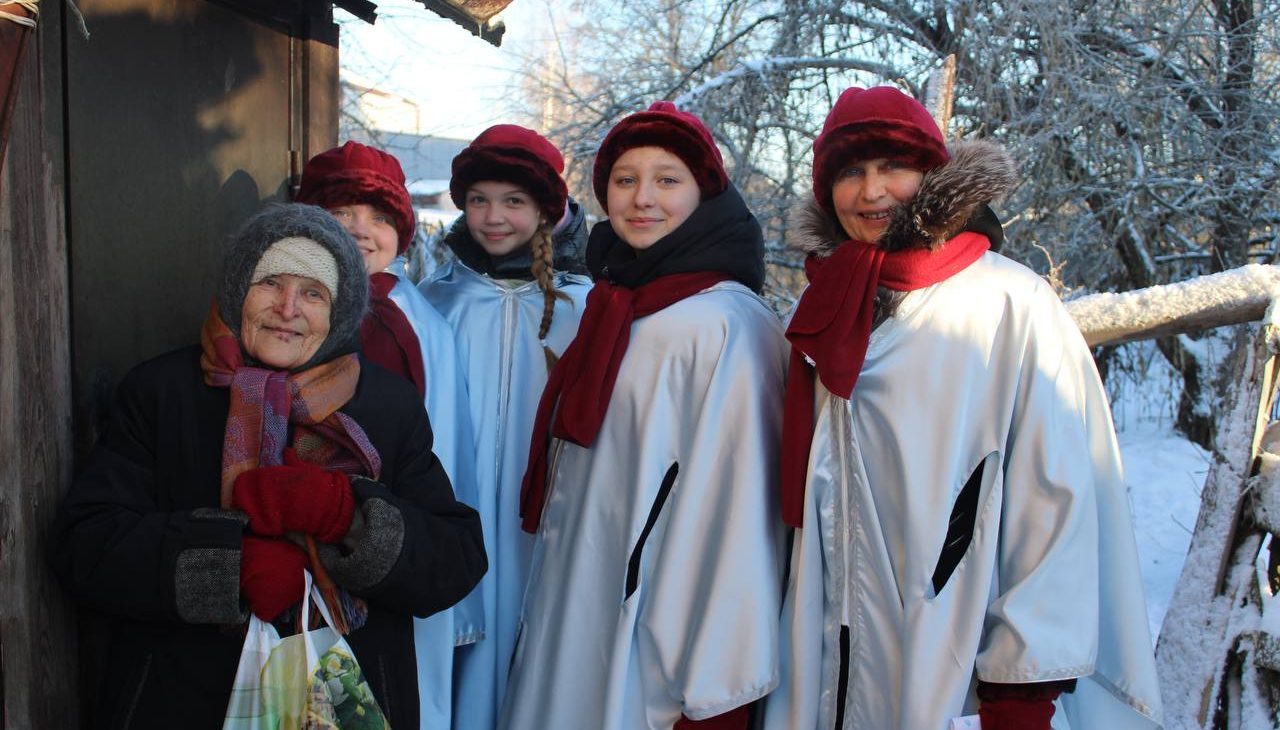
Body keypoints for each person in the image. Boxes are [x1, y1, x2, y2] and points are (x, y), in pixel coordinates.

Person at [763, 86, 1163, 730]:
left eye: (893, 167)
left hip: (958, 670)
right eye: (850, 172)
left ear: (931, 174)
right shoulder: (825, 308)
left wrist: (1021, 688)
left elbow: (1055, 497)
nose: (871, 192)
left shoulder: (1007, 304)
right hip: (827, 667)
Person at [50, 203, 487, 729]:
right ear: (238, 290)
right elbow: (86, 545)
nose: (287, 308)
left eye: (313, 293)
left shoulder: (387, 406)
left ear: (341, 309)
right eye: (270, 283)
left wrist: (346, 516)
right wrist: (228, 567)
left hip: (348, 700)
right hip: (182, 697)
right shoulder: (162, 393)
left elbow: (453, 562)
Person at [501, 102, 786, 730]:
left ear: (705, 194)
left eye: (667, 180)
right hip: (577, 610)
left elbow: (741, 521)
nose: (642, 199)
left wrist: (715, 691)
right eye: (625, 180)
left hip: (653, 648)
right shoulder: (616, 305)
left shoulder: (727, 325)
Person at [295, 140, 480, 728]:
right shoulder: (292, 306)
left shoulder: (406, 321)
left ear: (401, 233)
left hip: (375, 542)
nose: (359, 229)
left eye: (378, 217)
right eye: (341, 213)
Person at [418, 124, 592, 730]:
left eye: (513, 200)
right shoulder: (438, 299)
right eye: (478, 200)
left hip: (544, 517)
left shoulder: (583, 305)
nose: (493, 217)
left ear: (546, 208)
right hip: (457, 508)